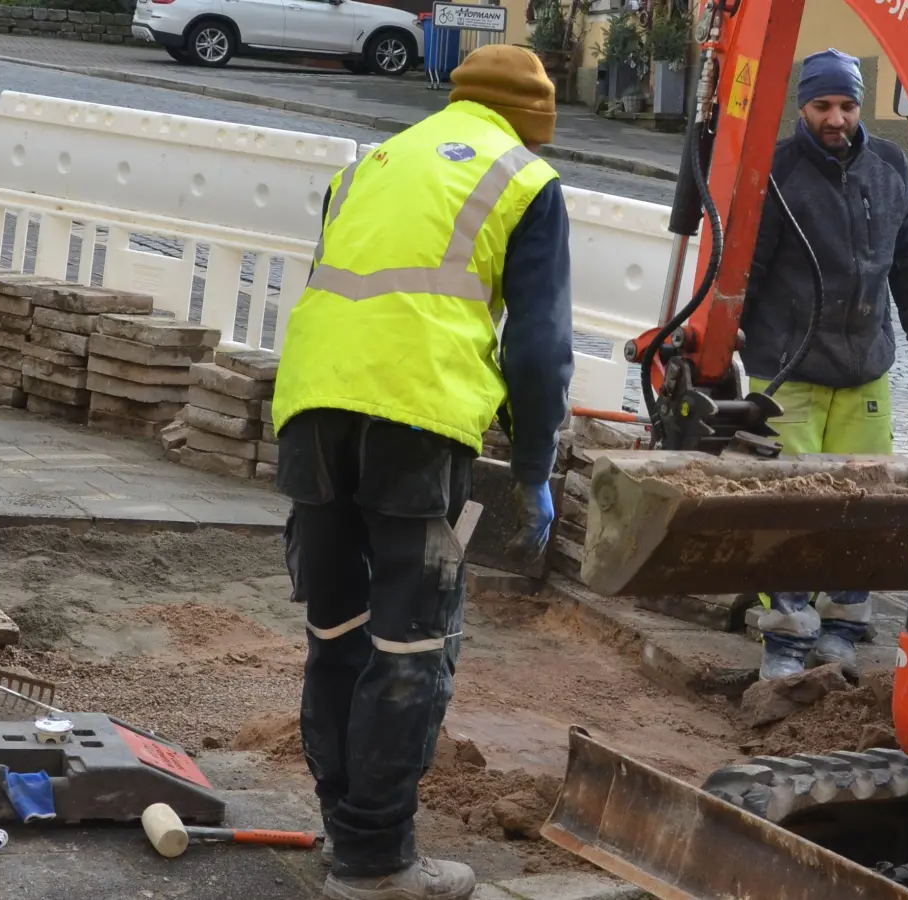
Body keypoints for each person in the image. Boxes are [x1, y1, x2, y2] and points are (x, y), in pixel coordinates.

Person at [270, 44, 573, 900]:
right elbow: (541, 351)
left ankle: (346, 834)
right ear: (534, 124)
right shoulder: (524, 179)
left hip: (313, 409)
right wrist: (536, 464)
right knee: (409, 643)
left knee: (336, 632)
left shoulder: (372, 162)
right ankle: (375, 863)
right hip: (416, 420)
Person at [740, 48, 908, 680]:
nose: (837, 118)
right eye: (824, 105)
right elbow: (748, 271)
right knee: (795, 505)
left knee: (864, 500)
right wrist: (726, 341)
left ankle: (844, 624)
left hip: (864, 369)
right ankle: (786, 639)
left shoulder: (887, 167)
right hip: (788, 370)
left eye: (848, 105)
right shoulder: (775, 173)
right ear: (803, 103)